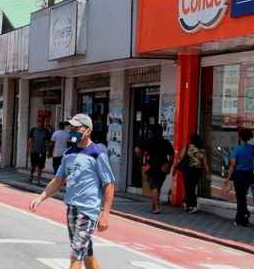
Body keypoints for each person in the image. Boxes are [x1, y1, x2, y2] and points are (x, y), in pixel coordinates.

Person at [30, 114, 115, 269]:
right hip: (71, 208)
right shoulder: (69, 153)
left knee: (76, 255)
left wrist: (105, 215)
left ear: (88, 130)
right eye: (71, 128)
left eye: (76, 128)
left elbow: (109, 184)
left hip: (88, 211)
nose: (72, 132)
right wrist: (40, 197)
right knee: (86, 252)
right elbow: (58, 180)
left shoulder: (97, 152)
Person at [136, 124, 173, 214]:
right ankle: (154, 205)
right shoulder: (166, 142)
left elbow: (137, 150)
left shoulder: (148, 141)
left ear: (151, 132)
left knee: (154, 187)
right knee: (157, 186)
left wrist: (142, 161)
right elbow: (172, 155)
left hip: (151, 166)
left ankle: (156, 207)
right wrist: (169, 165)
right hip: (163, 167)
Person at [224, 128, 254, 226]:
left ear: (240, 137)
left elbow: (232, 165)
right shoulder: (252, 148)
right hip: (249, 174)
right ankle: (242, 217)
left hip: (239, 174)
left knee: (240, 197)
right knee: (243, 196)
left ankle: (242, 216)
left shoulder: (237, 149)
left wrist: (228, 177)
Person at [171, 134, 210, 214]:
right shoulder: (202, 150)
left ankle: (192, 205)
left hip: (188, 170)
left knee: (188, 187)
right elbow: (205, 163)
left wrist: (174, 167)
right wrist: (208, 173)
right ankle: (187, 204)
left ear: (192, 140)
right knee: (191, 187)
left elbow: (181, 157)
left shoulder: (188, 146)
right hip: (198, 171)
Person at [28, 120, 51, 185]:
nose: (40, 124)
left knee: (40, 167)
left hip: (42, 152)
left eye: (42, 123)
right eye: (39, 123)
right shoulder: (33, 130)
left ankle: (38, 180)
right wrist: (29, 150)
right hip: (34, 151)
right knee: (33, 166)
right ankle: (31, 176)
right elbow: (30, 140)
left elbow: (47, 142)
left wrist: (48, 151)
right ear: (37, 123)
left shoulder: (46, 131)